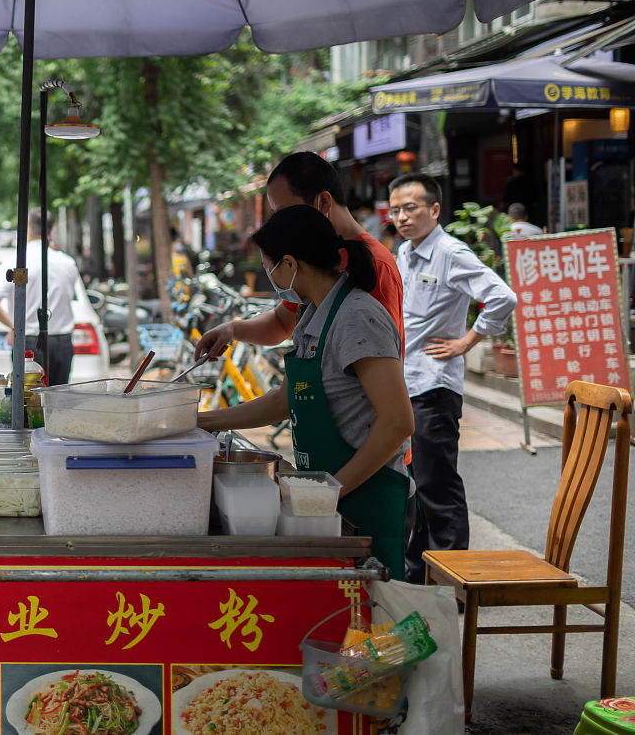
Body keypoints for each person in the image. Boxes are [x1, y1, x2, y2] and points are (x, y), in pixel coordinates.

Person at [199, 205, 413, 575]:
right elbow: (284, 400)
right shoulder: (313, 314)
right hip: (329, 496)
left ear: (289, 264)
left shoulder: (357, 317)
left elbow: (397, 422)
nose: (269, 275)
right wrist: (200, 422)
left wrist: (330, 491)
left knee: (376, 607)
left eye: (268, 266)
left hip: (370, 496)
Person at [390, 173, 517, 584]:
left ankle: (450, 584)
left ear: (434, 209)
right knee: (414, 486)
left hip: (434, 386)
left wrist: (466, 341)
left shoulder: (450, 252)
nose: (402, 217)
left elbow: (502, 296)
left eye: (410, 208)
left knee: (437, 485)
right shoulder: (404, 252)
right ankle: (418, 577)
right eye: (395, 210)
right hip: (406, 383)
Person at [196, 151, 405, 360]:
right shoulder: (312, 257)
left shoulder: (376, 264)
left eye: (285, 212)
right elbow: (281, 323)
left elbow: (382, 360)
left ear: (324, 203)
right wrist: (232, 329)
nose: (280, 224)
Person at [0, 209, 83, 386]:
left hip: (29, 342)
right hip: (62, 342)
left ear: (27, 228)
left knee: (29, 400)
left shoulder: (17, 261)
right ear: (51, 230)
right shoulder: (67, 263)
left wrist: (14, 327)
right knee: (57, 398)